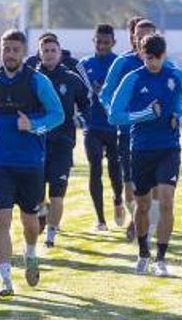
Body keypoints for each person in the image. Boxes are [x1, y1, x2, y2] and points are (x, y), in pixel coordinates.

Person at [0, 30, 65, 296]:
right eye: (6, 49)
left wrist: (33, 125)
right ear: (1, 50)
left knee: (30, 223)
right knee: (2, 220)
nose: (10, 54)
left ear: (24, 53)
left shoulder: (37, 81)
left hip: (31, 164)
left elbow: (58, 115)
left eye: (15, 50)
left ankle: (31, 253)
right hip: (0, 164)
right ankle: (5, 280)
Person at [108, 32, 182, 277]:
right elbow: (115, 115)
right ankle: (142, 253)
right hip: (140, 149)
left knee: (167, 201)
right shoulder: (133, 79)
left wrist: (180, 118)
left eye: (158, 57)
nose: (154, 63)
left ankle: (161, 258)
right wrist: (146, 113)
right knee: (143, 204)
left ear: (164, 54)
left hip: (169, 148)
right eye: (149, 58)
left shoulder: (175, 75)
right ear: (141, 54)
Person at [100, 17, 168, 239]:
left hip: (160, 135)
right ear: (133, 38)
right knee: (130, 186)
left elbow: (176, 90)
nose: (143, 40)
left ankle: (149, 226)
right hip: (130, 134)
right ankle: (135, 215)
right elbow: (106, 93)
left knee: (158, 184)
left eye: (147, 35)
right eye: (139, 36)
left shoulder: (164, 62)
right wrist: (117, 114)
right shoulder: (123, 63)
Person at [34, 33, 91, 248]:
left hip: (63, 144)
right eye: (45, 50)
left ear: (59, 53)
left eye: (53, 50)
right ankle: (41, 211)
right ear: (40, 53)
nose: (49, 54)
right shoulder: (31, 78)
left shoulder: (71, 79)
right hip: (36, 144)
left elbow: (87, 103)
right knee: (37, 194)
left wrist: (81, 118)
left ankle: (50, 236)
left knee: (57, 193)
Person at [79, 23, 121, 231]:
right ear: (93, 41)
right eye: (99, 42)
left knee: (115, 169)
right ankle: (101, 220)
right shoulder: (84, 65)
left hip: (114, 126)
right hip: (92, 126)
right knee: (95, 168)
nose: (102, 46)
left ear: (113, 43)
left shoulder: (119, 64)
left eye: (106, 42)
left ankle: (118, 199)